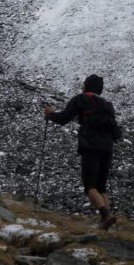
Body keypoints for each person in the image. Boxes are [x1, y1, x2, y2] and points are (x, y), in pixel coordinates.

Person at [44, 74, 121, 229]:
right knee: (101, 187)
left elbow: (64, 118)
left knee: (90, 187)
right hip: (107, 147)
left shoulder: (80, 99)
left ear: (87, 85)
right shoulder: (107, 104)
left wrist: (50, 114)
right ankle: (106, 221)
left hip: (90, 145)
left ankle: (106, 215)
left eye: (84, 83)